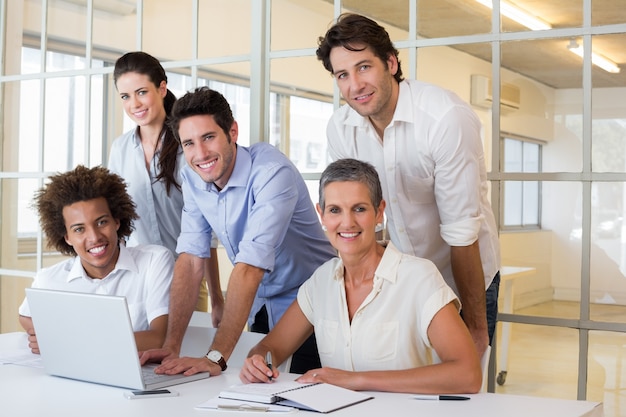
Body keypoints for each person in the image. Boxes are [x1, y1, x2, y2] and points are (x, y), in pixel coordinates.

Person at [316, 13, 501, 355]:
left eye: (364, 67)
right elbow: (353, 218)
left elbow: (462, 234)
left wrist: (476, 328)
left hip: (463, 273)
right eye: (342, 74)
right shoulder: (341, 129)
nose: (355, 85)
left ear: (390, 62)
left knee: (462, 392)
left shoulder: (445, 119)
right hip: (403, 279)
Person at [240, 159, 482, 394]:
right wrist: (258, 360)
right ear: (321, 215)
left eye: (359, 209)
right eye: (335, 210)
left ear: (379, 213)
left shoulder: (418, 278)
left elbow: (468, 375)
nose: (347, 222)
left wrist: (356, 380)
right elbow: (273, 347)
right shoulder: (321, 281)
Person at [140, 87, 336, 376]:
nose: (200, 153)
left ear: (232, 131)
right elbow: (191, 260)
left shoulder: (271, 172)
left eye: (208, 137)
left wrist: (216, 357)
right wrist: (172, 345)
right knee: (261, 394)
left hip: (313, 307)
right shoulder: (193, 177)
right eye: (189, 143)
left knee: (308, 396)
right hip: (259, 307)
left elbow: (249, 268)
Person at [18, 165, 174, 353]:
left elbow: (157, 339)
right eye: (79, 229)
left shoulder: (154, 262)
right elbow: (25, 315)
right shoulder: (49, 279)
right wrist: (45, 335)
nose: (94, 237)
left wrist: (64, 341)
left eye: (101, 222)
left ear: (116, 221)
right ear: (66, 237)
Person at [109, 51, 218, 316]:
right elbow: (115, 218)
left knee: (184, 356)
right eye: (125, 96)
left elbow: (207, 227)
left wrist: (217, 298)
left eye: (141, 92)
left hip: (187, 278)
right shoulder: (120, 149)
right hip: (137, 280)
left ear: (162, 88)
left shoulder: (188, 145)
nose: (134, 103)